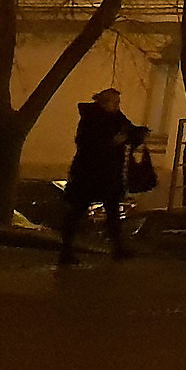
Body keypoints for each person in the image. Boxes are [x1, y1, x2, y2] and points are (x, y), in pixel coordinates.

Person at [60, 87, 148, 263]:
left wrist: (139, 134)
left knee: (112, 211)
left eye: (118, 103)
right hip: (89, 174)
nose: (117, 106)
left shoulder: (117, 118)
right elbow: (85, 143)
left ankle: (118, 248)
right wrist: (111, 142)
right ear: (104, 103)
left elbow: (130, 131)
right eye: (114, 102)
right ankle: (66, 250)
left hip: (109, 173)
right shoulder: (91, 119)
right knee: (78, 211)